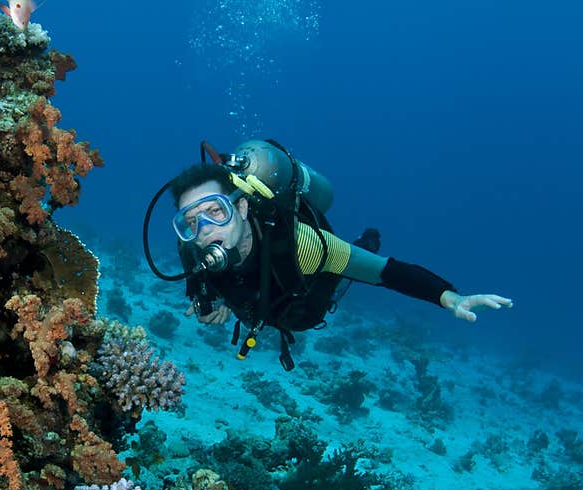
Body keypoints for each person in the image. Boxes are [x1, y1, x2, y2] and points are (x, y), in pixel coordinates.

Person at [153, 139, 512, 370]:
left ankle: (365, 239)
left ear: (242, 207)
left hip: (304, 301)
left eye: (215, 211)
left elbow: (385, 272)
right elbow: (201, 276)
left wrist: (448, 296)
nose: (204, 231)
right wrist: (208, 299)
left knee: (346, 268)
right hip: (260, 302)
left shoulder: (301, 246)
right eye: (190, 221)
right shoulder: (192, 246)